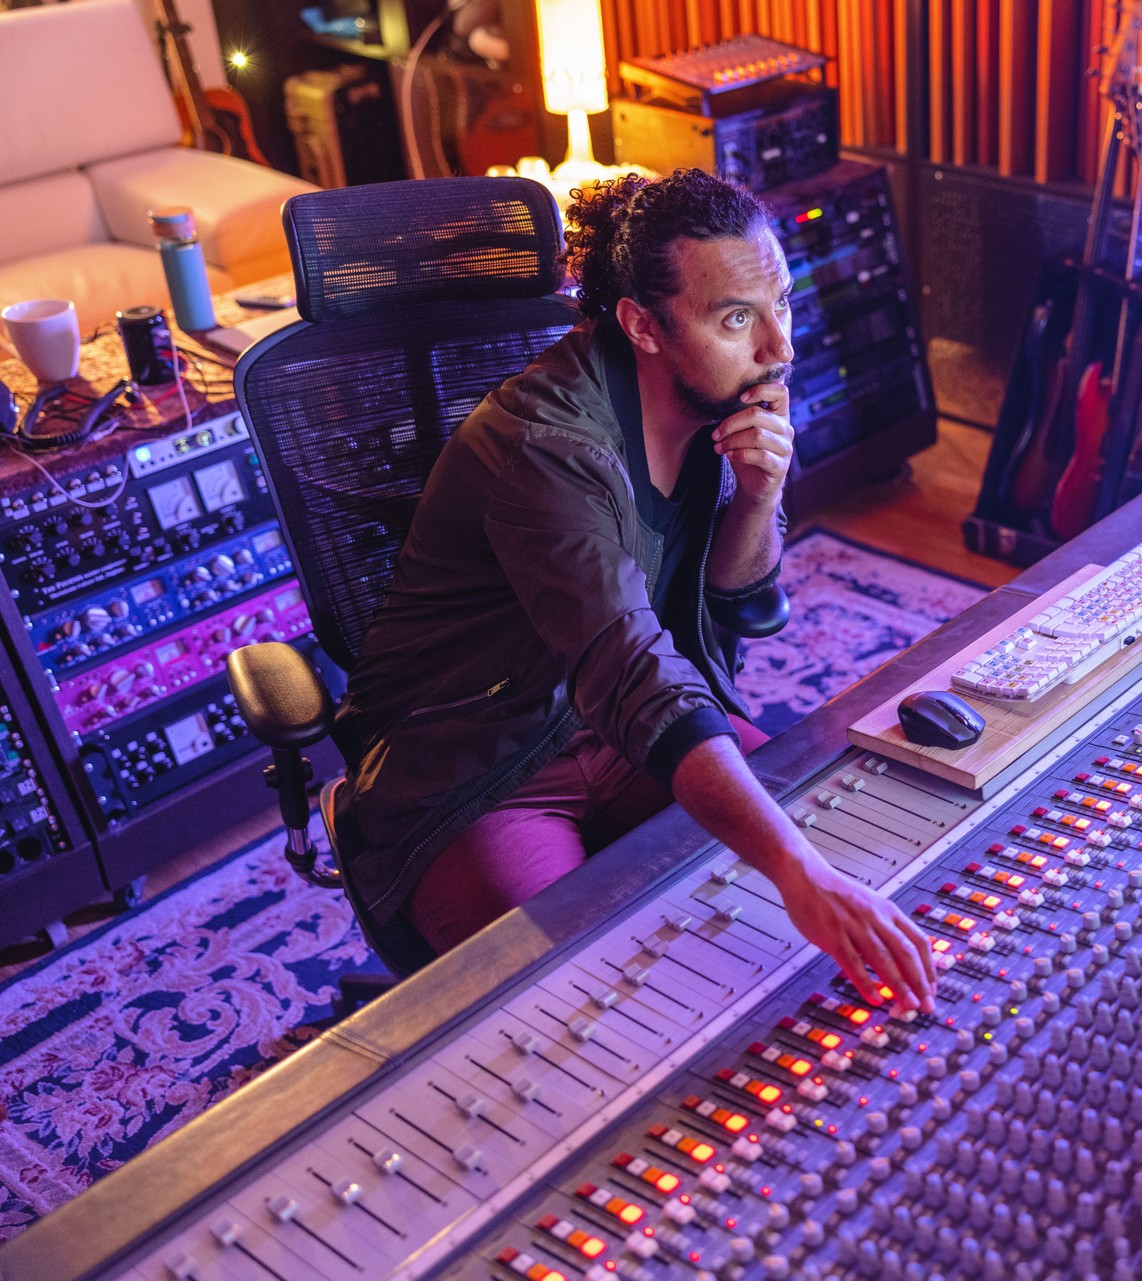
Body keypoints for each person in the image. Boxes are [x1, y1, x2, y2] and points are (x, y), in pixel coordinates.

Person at [330, 169, 936, 1013]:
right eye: (736, 319)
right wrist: (796, 873)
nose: (779, 347)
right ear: (643, 326)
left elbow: (736, 608)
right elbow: (637, 673)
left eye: (782, 306)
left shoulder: (708, 398)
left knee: (847, 841)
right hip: (485, 767)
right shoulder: (545, 446)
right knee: (594, 999)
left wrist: (759, 496)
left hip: (615, 732)